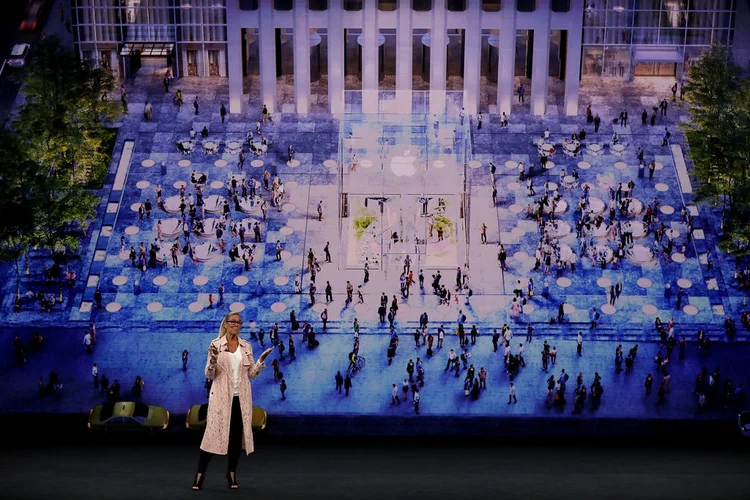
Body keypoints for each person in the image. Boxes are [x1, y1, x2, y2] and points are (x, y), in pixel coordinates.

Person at [191, 312, 274, 490]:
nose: (236, 325)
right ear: (226, 324)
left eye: (239, 322)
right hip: (221, 398)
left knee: (236, 439)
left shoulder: (246, 346)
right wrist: (213, 359)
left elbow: (251, 374)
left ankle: (231, 474)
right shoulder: (215, 344)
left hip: (240, 399)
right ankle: (199, 474)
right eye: (233, 322)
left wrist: (260, 362)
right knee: (212, 435)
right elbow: (209, 374)